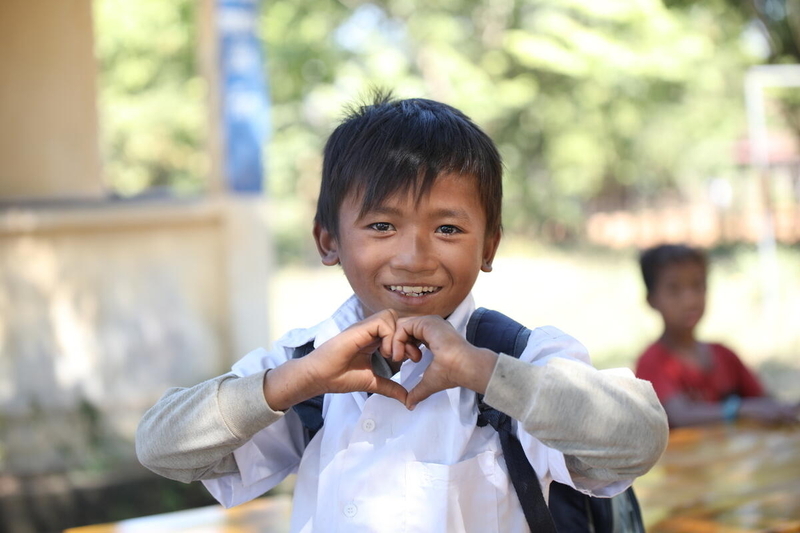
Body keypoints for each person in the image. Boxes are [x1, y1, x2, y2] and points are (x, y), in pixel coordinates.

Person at [136, 93, 668, 532]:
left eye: (448, 229)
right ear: (328, 241)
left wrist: (483, 372)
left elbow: (639, 437)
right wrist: (294, 381)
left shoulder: (519, 358)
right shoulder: (305, 367)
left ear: (489, 246)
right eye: (381, 226)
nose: (414, 257)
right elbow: (160, 447)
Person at [635, 243, 800, 428]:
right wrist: (740, 409)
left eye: (697, 285)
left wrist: (786, 408)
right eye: (674, 289)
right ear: (651, 300)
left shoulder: (725, 355)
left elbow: (765, 402)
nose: (690, 300)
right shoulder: (652, 362)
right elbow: (680, 416)